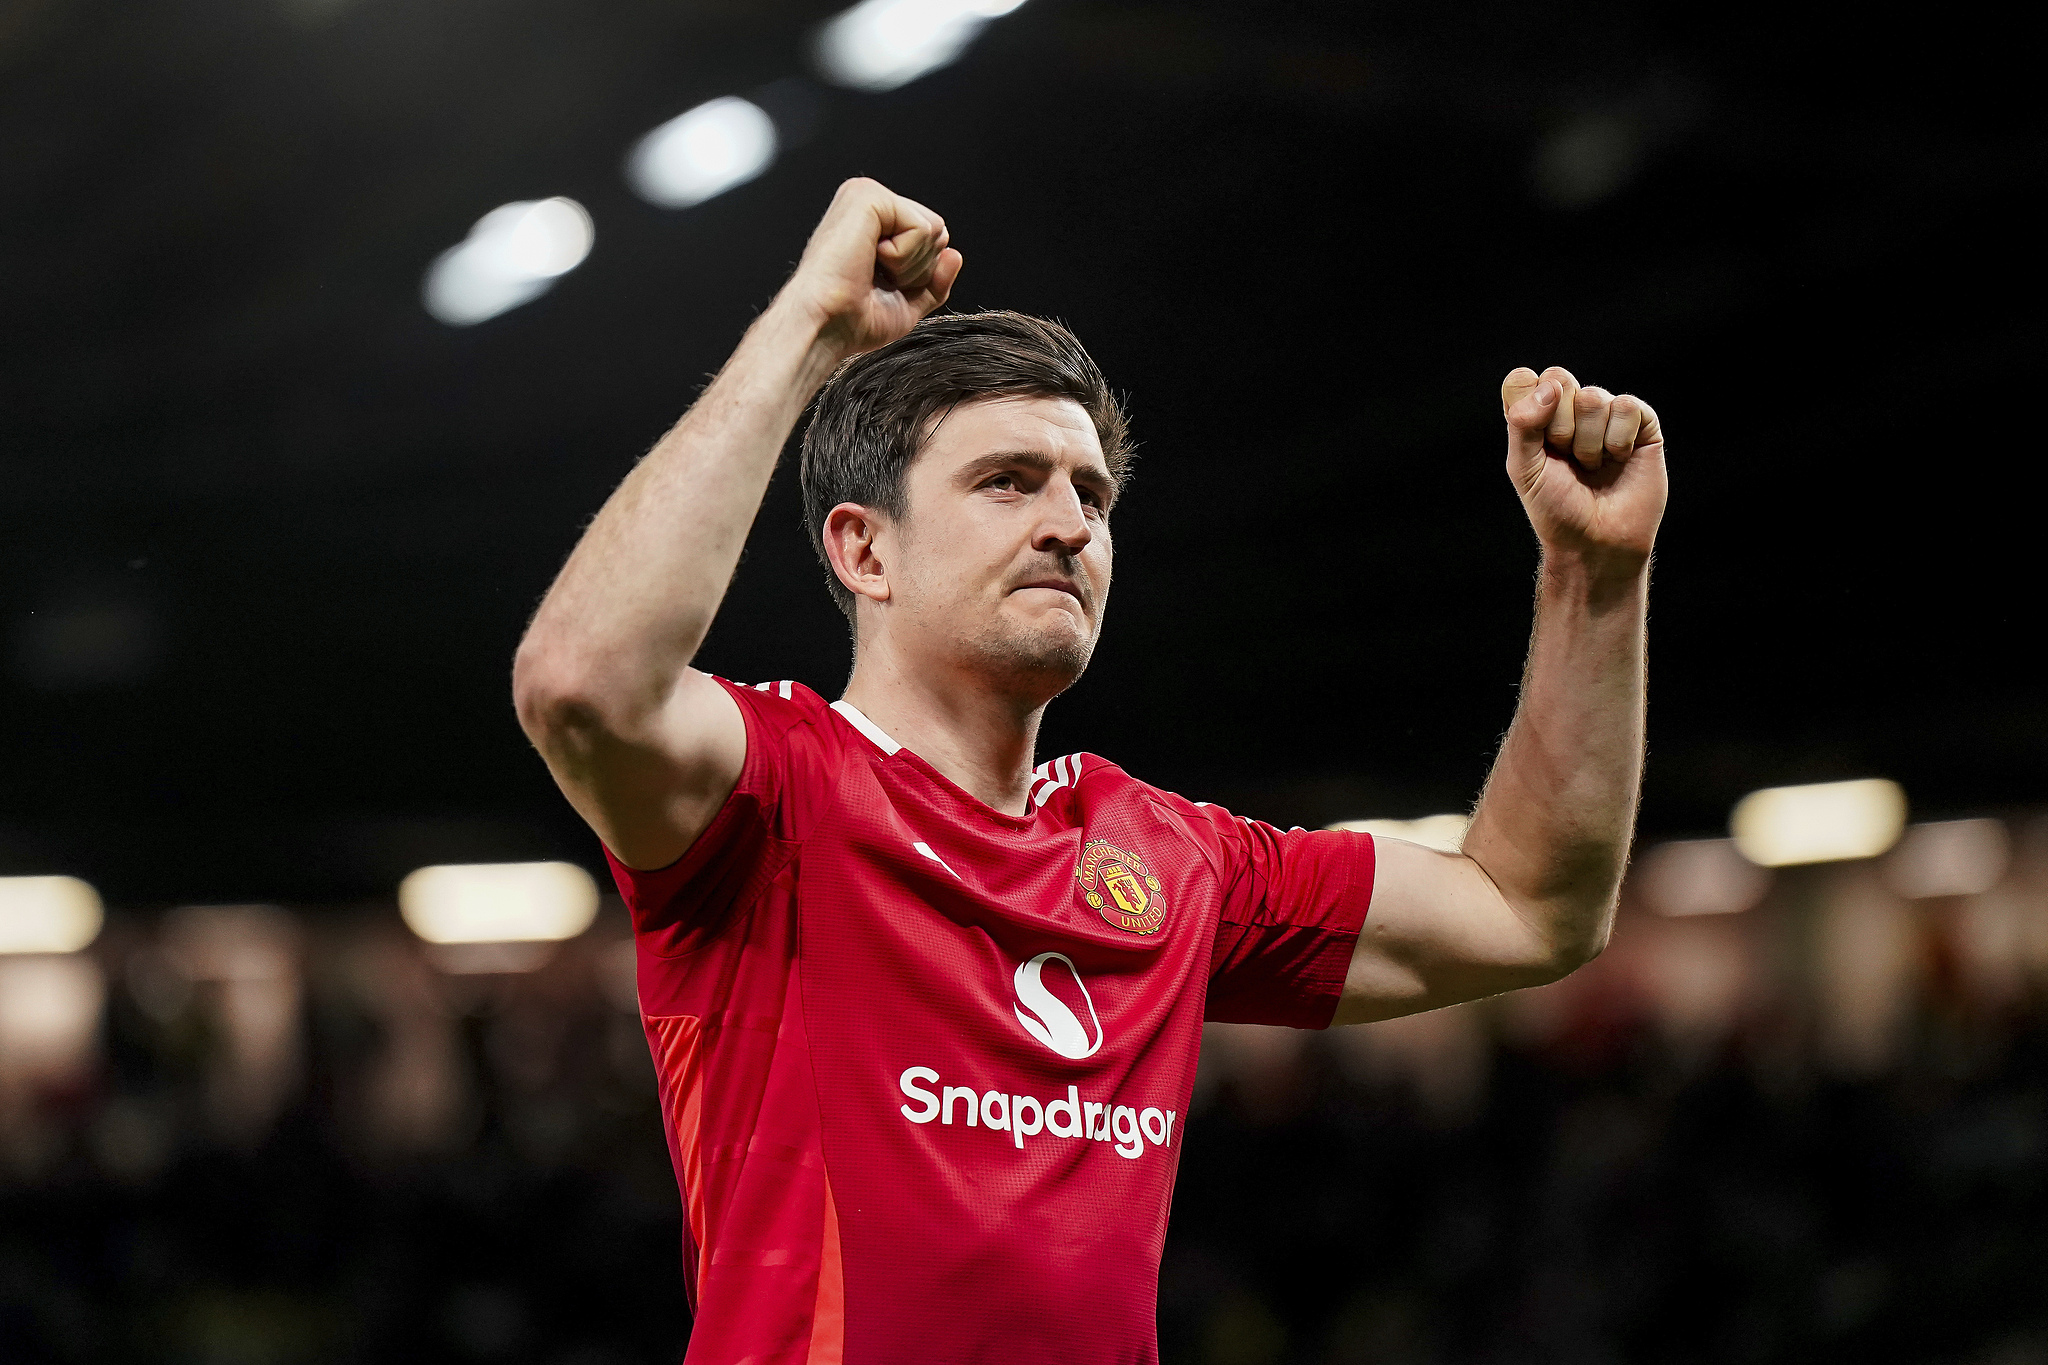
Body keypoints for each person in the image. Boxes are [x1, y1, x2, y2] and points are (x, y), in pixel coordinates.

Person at [511, 178, 1666, 1363]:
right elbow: (581, 685)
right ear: (863, 549)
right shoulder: (772, 797)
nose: (1069, 523)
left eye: (1091, 494)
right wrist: (810, 325)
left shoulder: (1167, 856)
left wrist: (1593, 578)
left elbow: (1530, 908)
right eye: (1007, 480)